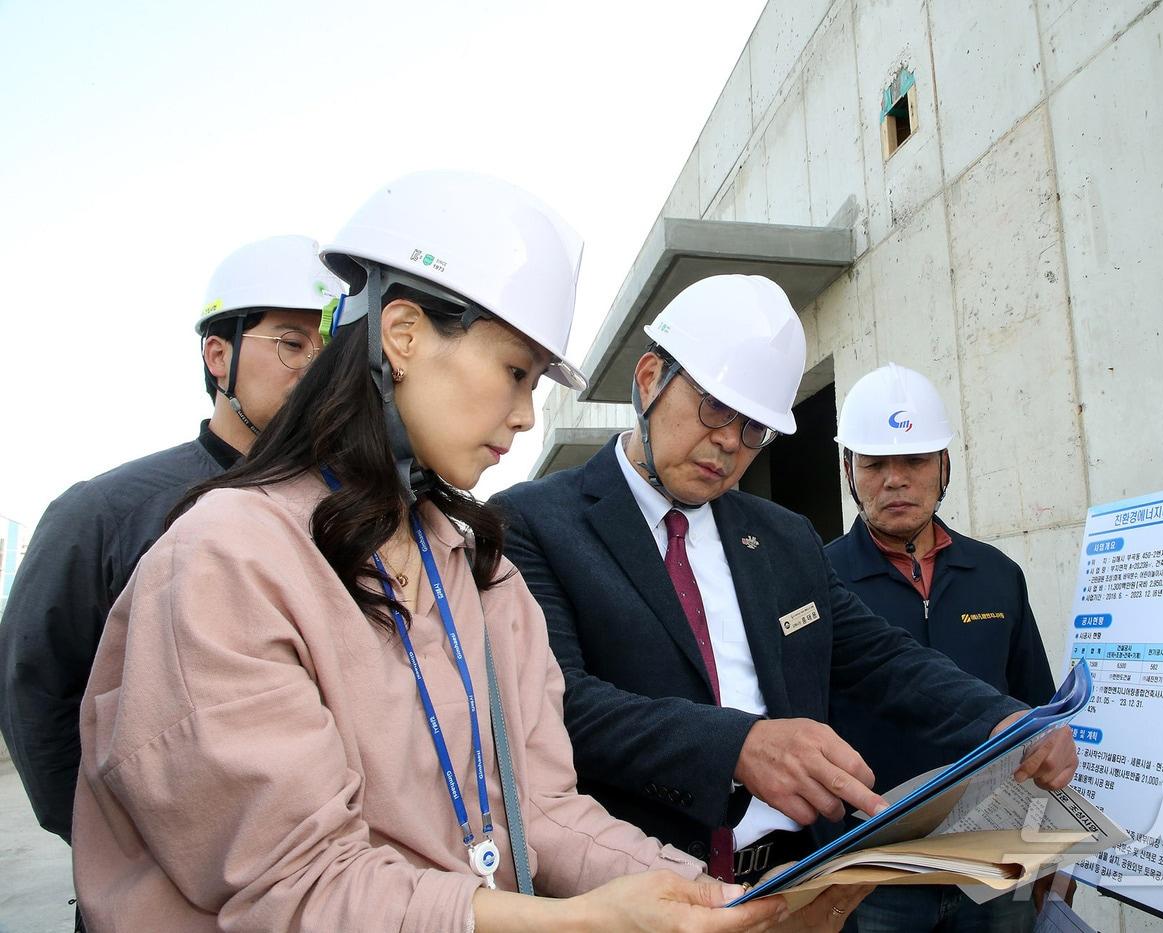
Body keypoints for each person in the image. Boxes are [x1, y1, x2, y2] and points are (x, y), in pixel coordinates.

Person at [70, 171, 854, 933]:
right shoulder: (225, 561)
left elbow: (542, 810)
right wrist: (576, 922)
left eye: (537, 383)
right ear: (403, 334)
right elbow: (298, 889)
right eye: (515, 372)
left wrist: (724, 902)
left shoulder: (480, 572)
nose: (522, 416)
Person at [492, 274, 1078, 901]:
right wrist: (736, 746)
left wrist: (1005, 719)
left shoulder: (784, 537)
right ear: (648, 380)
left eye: (753, 429)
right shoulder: (533, 524)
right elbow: (560, 705)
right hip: (642, 890)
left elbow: (881, 657)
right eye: (714, 406)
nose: (728, 442)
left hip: (799, 881)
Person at [0, 234, 339, 847]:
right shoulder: (106, 510)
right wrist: (120, 852)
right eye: (292, 343)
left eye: (328, 351)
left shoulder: (347, 512)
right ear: (218, 354)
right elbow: (38, 694)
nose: (314, 370)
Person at [825, 363, 1063, 932]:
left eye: (915, 460)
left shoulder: (996, 574)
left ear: (944, 466)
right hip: (878, 874)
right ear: (849, 472)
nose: (896, 480)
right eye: (875, 464)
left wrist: (1050, 850)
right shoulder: (817, 579)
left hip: (996, 858)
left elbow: (1036, 711)